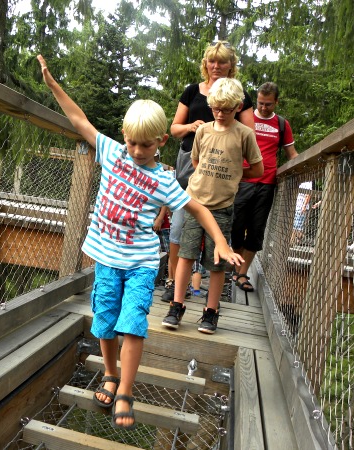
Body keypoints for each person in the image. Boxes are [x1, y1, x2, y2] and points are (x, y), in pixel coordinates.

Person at [37, 54, 243, 429]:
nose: (135, 151)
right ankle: (111, 375)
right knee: (105, 321)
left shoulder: (164, 180)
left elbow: (198, 209)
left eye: (145, 146)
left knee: (132, 323)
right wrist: (53, 86)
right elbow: (79, 119)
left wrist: (222, 244)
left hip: (141, 261)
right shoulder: (112, 152)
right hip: (106, 258)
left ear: (161, 141)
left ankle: (126, 391)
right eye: (131, 142)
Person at [162, 77, 263, 334]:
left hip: (222, 206)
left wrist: (233, 176)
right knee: (186, 255)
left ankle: (211, 311)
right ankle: (177, 305)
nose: (219, 114)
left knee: (216, 262)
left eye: (226, 110)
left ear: (238, 106)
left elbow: (257, 168)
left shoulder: (244, 134)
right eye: (215, 108)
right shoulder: (204, 130)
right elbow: (196, 162)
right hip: (195, 203)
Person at [231, 82, 298, 291]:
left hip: (267, 183)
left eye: (268, 104)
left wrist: (303, 171)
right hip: (242, 181)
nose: (263, 108)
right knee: (235, 227)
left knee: (256, 229)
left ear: (276, 102)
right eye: (260, 103)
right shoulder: (246, 119)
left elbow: (292, 154)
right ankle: (236, 268)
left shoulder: (281, 124)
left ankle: (241, 274)